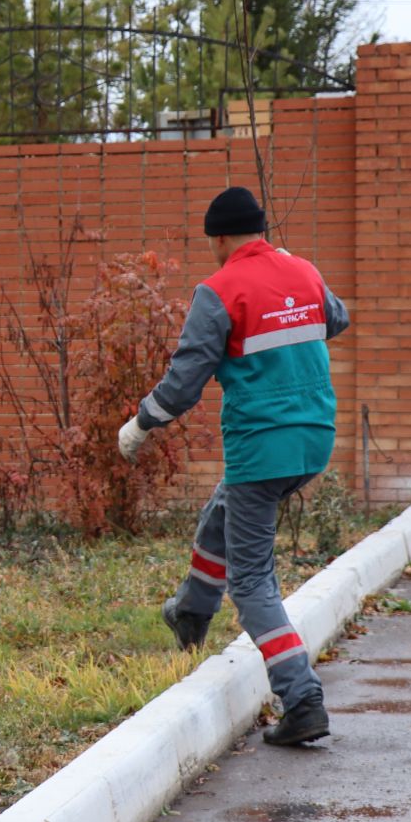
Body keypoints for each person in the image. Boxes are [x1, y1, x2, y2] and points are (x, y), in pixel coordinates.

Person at [117, 186, 349, 747]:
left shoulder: (217, 291)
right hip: (314, 437)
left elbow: (184, 381)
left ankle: (301, 698)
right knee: (227, 505)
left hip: (261, 445)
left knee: (251, 582)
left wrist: (142, 423)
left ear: (220, 238)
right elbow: (335, 320)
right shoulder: (304, 270)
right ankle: (191, 610)